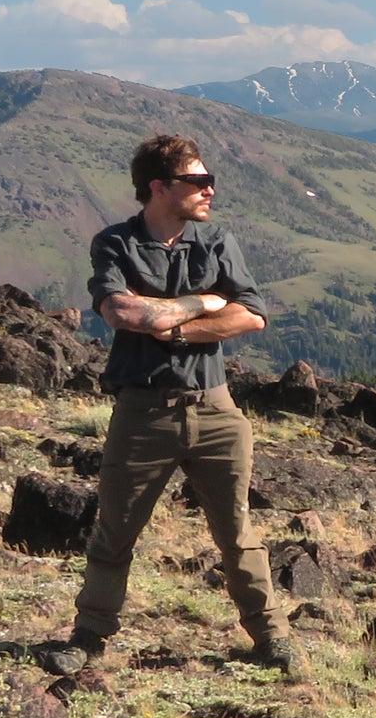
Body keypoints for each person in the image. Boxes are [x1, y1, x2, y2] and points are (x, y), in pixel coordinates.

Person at [44, 134, 299, 676]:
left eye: (209, 180)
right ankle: (88, 637)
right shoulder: (115, 244)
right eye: (198, 181)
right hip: (144, 411)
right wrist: (205, 302)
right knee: (115, 530)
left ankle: (271, 637)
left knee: (237, 532)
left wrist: (175, 326)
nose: (210, 190)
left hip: (216, 409)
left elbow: (251, 317)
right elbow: (125, 316)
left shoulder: (217, 242)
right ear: (160, 187)